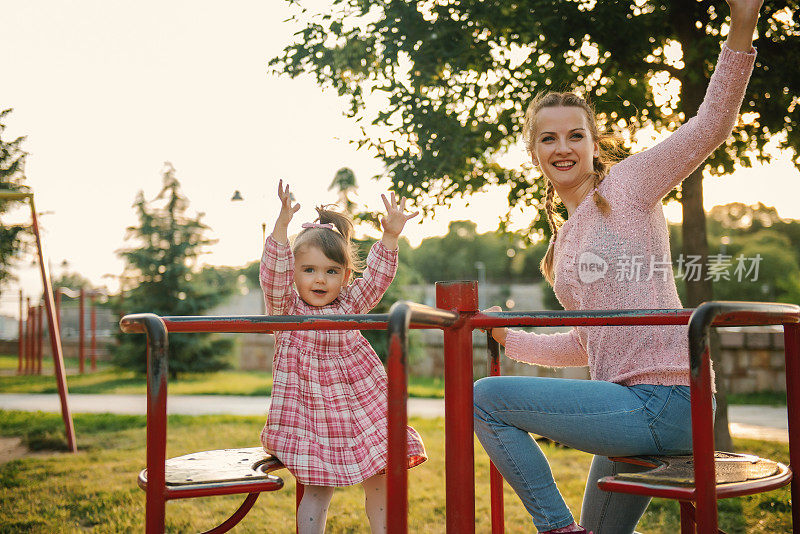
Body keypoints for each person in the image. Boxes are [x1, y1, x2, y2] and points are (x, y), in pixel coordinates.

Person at [473, 1, 762, 532]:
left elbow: (712, 124)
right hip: (624, 407)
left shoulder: (626, 187)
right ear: (532, 150)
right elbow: (585, 344)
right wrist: (507, 335)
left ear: (593, 142)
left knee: (485, 399)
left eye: (575, 135)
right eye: (548, 137)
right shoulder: (561, 249)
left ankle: (556, 529)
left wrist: (742, 23)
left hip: (667, 399)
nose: (563, 147)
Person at [260, 180, 425, 534]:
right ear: (294, 273)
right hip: (310, 415)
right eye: (309, 270)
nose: (320, 280)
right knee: (318, 488)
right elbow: (272, 275)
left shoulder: (350, 305)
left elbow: (377, 280)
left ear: (345, 276)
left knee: (380, 475)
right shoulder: (286, 309)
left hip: (360, 410)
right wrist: (281, 226)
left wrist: (391, 237)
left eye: (331, 271)